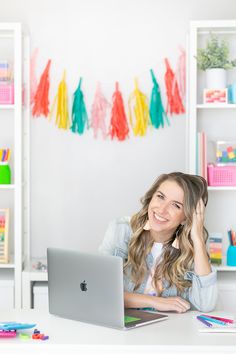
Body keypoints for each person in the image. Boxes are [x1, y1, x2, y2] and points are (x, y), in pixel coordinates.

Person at [99, 172, 217, 313]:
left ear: (186, 217)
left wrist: (197, 238)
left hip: (168, 331)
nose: (162, 209)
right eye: (160, 197)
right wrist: (155, 302)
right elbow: (101, 291)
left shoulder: (194, 247)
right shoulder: (121, 230)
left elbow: (206, 304)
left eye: (176, 205)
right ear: (151, 198)